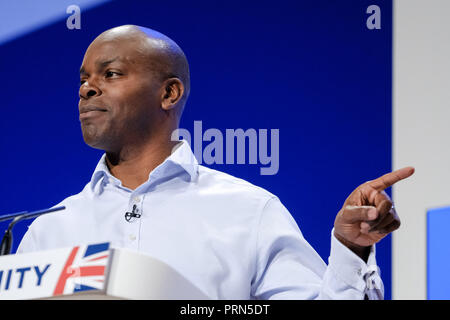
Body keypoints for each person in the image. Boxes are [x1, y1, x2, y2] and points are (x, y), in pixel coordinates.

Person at [17, 25, 414, 300]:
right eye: (83, 78)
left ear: (170, 93)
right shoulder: (49, 229)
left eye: (111, 73)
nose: (87, 88)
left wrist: (350, 248)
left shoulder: (249, 211)